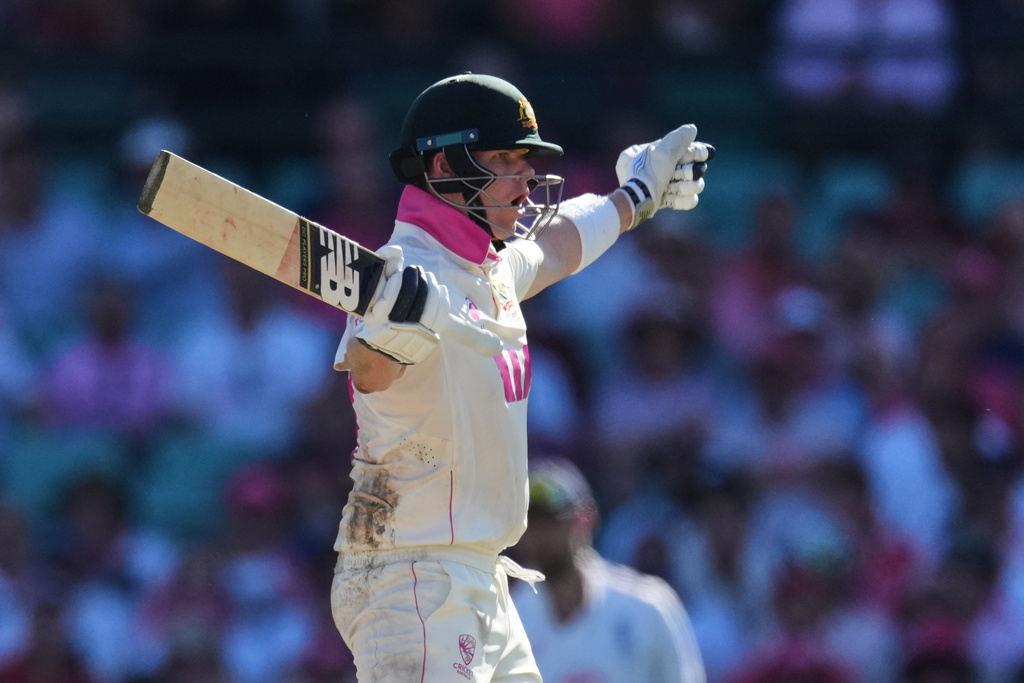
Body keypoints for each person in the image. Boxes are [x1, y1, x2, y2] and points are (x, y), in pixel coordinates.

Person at [329, 72, 713, 681]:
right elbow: (371, 374)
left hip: (482, 575)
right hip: (411, 576)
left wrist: (637, 194)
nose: (526, 178)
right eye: (506, 159)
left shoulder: (488, 271)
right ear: (446, 167)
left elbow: (559, 245)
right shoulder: (401, 273)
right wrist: (391, 327)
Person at [510, 457, 707, 683]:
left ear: (586, 519)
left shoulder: (647, 606)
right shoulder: (509, 622)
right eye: (529, 522)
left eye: (552, 520)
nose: (539, 534)